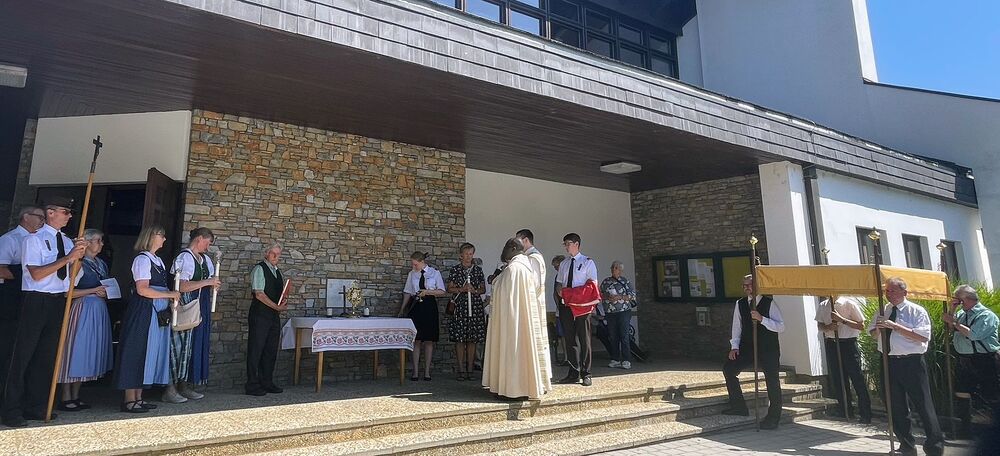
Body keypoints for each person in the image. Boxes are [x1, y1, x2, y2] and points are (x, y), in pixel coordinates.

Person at [1, 197, 85, 427]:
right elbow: (36, 273)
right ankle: (10, 409)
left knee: (46, 356)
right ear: (51, 212)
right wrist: (67, 258)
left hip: (57, 300)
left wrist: (78, 258)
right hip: (35, 299)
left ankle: (36, 405)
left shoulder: (67, 241)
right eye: (65, 212)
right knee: (21, 356)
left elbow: (73, 278)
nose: (69, 216)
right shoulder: (33, 239)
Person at [868, 277, 944, 456]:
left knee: (923, 404)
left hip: (912, 361)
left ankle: (934, 446)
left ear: (904, 292)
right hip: (888, 361)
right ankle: (906, 445)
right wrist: (878, 328)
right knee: (895, 405)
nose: (889, 294)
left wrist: (895, 326)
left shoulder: (916, 311)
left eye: (893, 291)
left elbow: (923, 336)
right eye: (887, 291)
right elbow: (872, 334)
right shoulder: (883, 310)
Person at [114, 225, 180, 413]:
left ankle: (139, 397)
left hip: (156, 310)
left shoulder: (157, 260)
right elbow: (142, 289)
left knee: (150, 351)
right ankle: (129, 399)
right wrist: (168, 295)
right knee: (138, 349)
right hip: (144, 310)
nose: (164, 239)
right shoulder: (142, 260)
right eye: (161, 235)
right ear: (151, 237)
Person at [483, 238, 549, 400]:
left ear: (513, 248)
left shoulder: (514, 269)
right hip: (518, 320)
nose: (503, 251)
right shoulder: (522, 267)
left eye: (505, 247)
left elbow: (508, 299)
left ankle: (514, 389)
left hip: (512, 322)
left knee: (513, 351)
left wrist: (495, 283)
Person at [56, 229, 114, 411]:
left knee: (88, 351)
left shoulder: (101, 264)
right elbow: (68, 292)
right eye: (98, 240)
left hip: (98, 308)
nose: (101, 244)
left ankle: (77, 394)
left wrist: (107, 293)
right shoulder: (78, 264)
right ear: (87, 243)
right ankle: (66, 395)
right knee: (75, 349)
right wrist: (93, 291)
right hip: (82, 308)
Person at [722, 274, 785, 430]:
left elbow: (781, 326)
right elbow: (737, 326)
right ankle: (739, 407)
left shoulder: (769, 303)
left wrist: (762, 319)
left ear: (757, 286)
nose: (746, 288)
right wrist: (734, 346)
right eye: (744, 285)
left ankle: (773, 418)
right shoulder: (740, 303)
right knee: (729, 369)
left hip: (768, 348)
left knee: (772, 380)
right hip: (747, 347)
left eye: (749, 285)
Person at [165, 227, 219, 403]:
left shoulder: (205, 260)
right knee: (179, 345)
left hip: (201, 304)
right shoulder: (184, 258)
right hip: (186, 305)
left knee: (193, 345)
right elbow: (181, 286)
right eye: (207, 243)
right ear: (199, 239)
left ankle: (184, 385)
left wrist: (213, 284)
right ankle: (170, 388)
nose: (208, 247)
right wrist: (207, 282)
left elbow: (208, 282)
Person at [943, 284, 1000, 438]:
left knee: (991, 394)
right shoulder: (961, 314)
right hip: (964, 359)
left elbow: (974, 334)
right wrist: (952, 311)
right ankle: (965, 429)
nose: (956, 302)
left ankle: (994, 431)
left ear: (967, 299)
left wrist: (955, 322)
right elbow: (951, 329)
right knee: (962, 392)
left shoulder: (986, 315)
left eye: (958, 299)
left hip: (984, 359)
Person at [0, 206, 45, 397]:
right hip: (11, 298)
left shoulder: (41, 240)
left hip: (33, 298)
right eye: (39, 216)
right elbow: (1, 269)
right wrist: (25, 274)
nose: (42, 220)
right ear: (25, 217)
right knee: (8, 346)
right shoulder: (10, 239)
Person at [815, 295, 872, 423]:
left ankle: (865, 413)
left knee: (857, 378)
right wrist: (828, 327)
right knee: (838, 378)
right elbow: (820, 325)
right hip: (832, 343)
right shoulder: (823, 305)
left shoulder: (849, 304)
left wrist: (842, 320)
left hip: (848, 344)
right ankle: (845, 410)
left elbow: (861, 325)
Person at [555, 233, 598, 386]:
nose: (566, 247)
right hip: (566, 304)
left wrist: (578, 296)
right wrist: (560, 290)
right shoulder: (564, 263)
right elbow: (560, 282)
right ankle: (573, 372)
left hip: (582, 306)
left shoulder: (587, 262)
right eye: (564, 244)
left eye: (568, 243)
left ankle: (586, 373)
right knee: (569, 338)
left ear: (576, 244)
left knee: (584, 338)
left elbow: (592, 285)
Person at [246, 244, 288, 396]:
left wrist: (282, 302)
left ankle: (267, 382)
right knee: (256, 350)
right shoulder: (260, 269)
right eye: (273, 253)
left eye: (278, 254)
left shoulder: (277, 272)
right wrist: (277, 307)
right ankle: (252, 384)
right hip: (260, 315)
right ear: (266, 254)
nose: (275, 256)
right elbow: (259, 294)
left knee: (270, 350)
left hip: (273, 316)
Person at [398, 252, 447, 381]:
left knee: (429, 339)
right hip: (416, 306)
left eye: (415, 264)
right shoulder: (412, 274)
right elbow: (408, 292)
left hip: (429, 305)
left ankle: (427, 372)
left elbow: (442, 291)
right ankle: (415, 371)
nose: (414, 266)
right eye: (412, 264)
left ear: (422, 262)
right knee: (417, 339)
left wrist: (427, 292)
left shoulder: (434, 273)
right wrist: (402, 309)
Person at [515, 229, 552, 388]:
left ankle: (537, 379)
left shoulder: (534, 258)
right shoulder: (525, 257)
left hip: (533, 305)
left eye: (518, 240)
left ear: (525, 240)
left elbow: (533, 284)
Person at [446, 243, 486, 381]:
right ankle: (461, 369)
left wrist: (474, 290)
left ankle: (470, 369)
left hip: (474, 307)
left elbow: (483, 289)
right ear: (461, 255)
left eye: (471, 254)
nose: (468, 257)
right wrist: (461, 289)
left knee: (472, 339)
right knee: (460, 339)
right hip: (460, 307)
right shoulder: (455, 270)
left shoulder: (477, 270)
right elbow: (449, 288)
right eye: (466, 254)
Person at [600, 261, 637, 370]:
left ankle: (626, 360)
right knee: (613, 336)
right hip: (610, 313)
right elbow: (599, 294)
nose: (613, 269)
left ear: (620, 270)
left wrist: (619, 297)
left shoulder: (625, 281)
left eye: (616, 267)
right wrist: (607, 297)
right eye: (612, 267)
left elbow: (632, 296)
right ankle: (615, 359)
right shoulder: (606, 281)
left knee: (624, 335)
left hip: (623, 312)